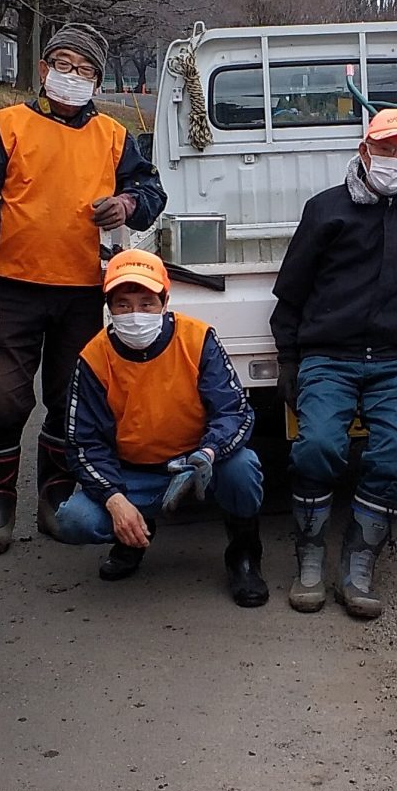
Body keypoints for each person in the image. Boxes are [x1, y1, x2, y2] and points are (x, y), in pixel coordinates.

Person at [0, 22, 168, 555]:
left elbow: (150, 188)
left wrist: (126, 205)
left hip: (81, 290)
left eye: (86, 70)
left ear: (98, 80)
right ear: (45, 69)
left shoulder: (113, 136)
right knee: (3, 401)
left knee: (70, 399)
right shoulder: (3, 127)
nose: (74, 77)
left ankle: (53, 494)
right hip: (13, 287)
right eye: (65, 65)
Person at [271, 108, 397, 619]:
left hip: (396, 359)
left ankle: (360, 561)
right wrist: (289, 358)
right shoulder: (325, 210)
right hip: (328, 356)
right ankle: (310, 557)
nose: (396, 160)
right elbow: (291, 294)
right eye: (386, 149)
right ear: (365, 150)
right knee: (315, 447)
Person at [56, 250, 269, 607]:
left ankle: (244, 555)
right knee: (76, 520)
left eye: (146, 302)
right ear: (108, 307)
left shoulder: (198, 339)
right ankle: (134, 534)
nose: (135, 315)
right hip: (133, 473)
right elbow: (83, 444)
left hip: (199, 463)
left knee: (243, 470)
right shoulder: (94, 358)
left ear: (165, 301)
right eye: (122, 304)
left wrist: (208, 452)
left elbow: (235, 410)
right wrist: (115, 499)